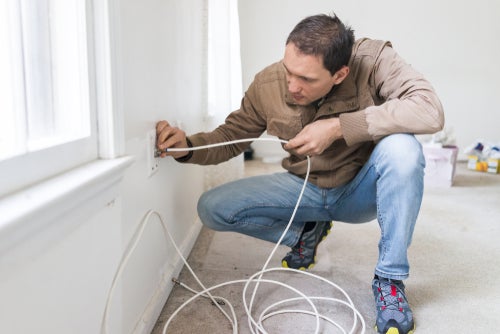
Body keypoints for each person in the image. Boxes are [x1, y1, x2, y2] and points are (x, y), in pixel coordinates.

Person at [156, 13, 443, 334]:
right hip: (302, 188)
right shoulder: (267, 83)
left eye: (306, 79)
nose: (292, 86)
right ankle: (306, 233)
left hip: (359, 191)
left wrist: (337, 127)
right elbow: (229, 137)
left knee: (404, 148)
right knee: (211, 208)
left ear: (340, 74)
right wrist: (188, 147)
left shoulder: (374, 61)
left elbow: (429, 110)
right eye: (288, 71)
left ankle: (390, 280)